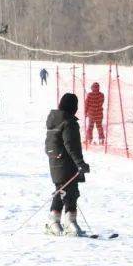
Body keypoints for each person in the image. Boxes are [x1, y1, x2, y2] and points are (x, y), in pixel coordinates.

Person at [45, 93, 90, 236]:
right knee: (71, 192)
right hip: (67, 163)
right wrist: (80, 163)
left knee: (61, 190)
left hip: (55, 162)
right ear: (73, 107)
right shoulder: (69, 122)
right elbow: (71, 145)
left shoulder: (55, 121)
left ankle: (54, 222)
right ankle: (70, 222)